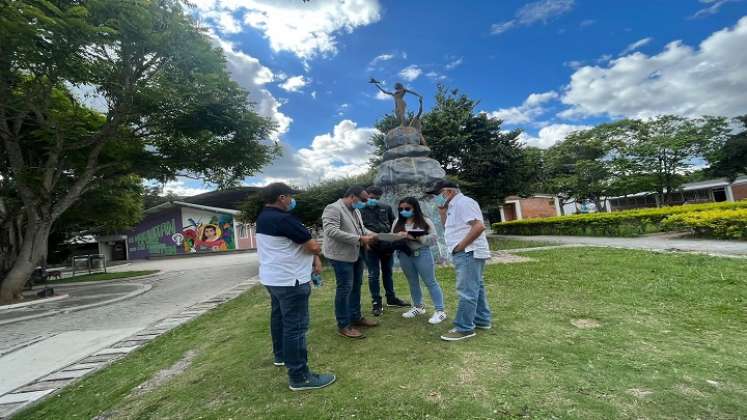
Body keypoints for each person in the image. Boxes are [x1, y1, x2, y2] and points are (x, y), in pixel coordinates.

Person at [256, 183, 336, 391]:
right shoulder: (284, 219)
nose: (292, 200)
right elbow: (312, 246)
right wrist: (317, 254)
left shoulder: (263, 217)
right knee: (296, 327)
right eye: (290, 197)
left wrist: (313, 259)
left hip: (273, 279)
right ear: (282, 197)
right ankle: (299, 376)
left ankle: (281, 355)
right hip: (291, 281)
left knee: (280, 319)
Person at [426, 180, 492, 341]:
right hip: (466, 252)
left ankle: (464, 328)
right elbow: (448, 227)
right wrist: (442, 210)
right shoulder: (453, 206)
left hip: (469, 252)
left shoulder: (463, 203)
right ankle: (482, 320)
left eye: (437, 194)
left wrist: (460, 247)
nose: (436, 198)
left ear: (448, 191)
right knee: (477, 287)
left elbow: (478, 226)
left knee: (467, 290)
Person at [322, 186, 379, 339]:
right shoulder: (333, 208)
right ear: (353, 197)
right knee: (345, 289)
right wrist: (360, 239)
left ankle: (355, 317)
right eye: (363, 200)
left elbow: (360, 229)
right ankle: (343, 325)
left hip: (355, 253)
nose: (364, 203)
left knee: (356, 286)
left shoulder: (356, 210)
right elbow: (331, 231)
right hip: (340, 256)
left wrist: (372, 234)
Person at [391, 197, 447, 324]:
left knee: (430, 282)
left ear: (414, 208)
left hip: (422, 254)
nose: (403, 211)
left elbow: (433, 239)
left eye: (407, 208)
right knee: (412, 282)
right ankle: (418, 307)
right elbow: (391, 237)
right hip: (404, 254)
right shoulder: (397, 222)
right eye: (401, 209)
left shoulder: (425, 221)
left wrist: (415, 236)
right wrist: (396, 237)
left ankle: (440, 311)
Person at [360, 186, 410, 316]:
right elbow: (359, 229)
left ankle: (391, 298)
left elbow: (394, 225)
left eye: (377, 198)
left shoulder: (386, 207)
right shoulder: (359, 209)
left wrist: (394, 242)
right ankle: (376, 302)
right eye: (371, 198)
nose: (374, 200)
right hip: (371, 246)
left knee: (388, 272)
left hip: (387, 245)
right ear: (366, 196)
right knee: (373, 274)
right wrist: (365, 243)